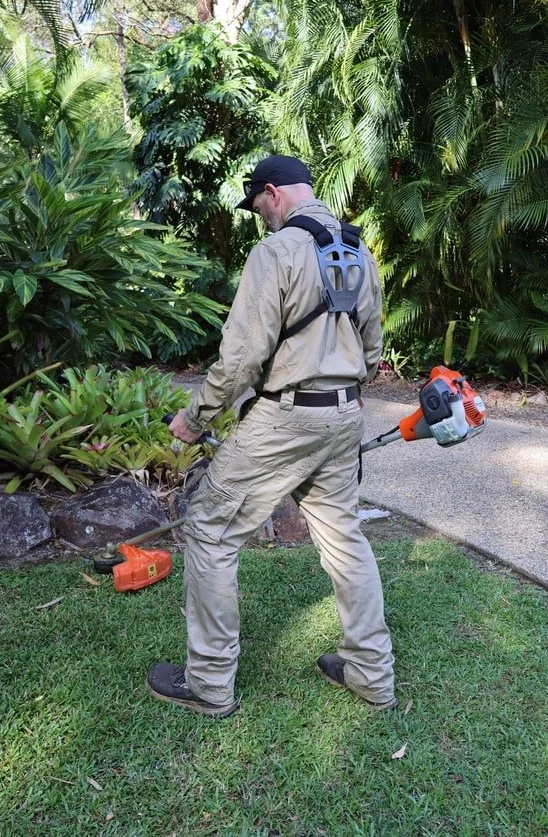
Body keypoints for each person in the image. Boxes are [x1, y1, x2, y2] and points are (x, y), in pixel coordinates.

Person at [147, 155, 395, 717]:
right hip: (344, 413)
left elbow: (240, 359)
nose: (260, 216)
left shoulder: (275, 252)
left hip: (288, 417)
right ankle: (371, 675)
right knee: (345, 539)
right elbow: (373, 354)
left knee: (209, 527)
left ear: (275, 193)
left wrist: (195, 418)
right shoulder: (359, 250)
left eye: (258, 204)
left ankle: (209, 684)